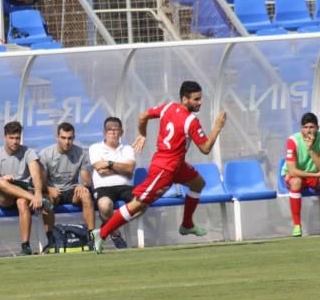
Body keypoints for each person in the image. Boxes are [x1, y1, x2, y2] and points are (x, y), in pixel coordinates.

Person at [93, 80, 227, 253]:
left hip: (177, 165)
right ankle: (102, 233)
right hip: (165, 167)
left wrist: (142, 133)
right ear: (184, 100)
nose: (199, 102)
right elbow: (206, 149)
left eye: (200, 99)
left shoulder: (168, 107)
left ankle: (187, 224)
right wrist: (217, 128)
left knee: (198, 183)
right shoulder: (191, 121)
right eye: (196, 99)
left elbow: (142, 116)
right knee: (138, 204)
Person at [0, 121, 45, 256]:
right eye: (11, 138)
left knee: (22, 202)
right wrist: (1, 179)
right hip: (4, 197)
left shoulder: (28, 152)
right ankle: (33, 199)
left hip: (23, 194)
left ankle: (25, 246)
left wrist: (38, 192)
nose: (15, 141)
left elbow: (36, 175)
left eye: (17, 138)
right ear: (5, 137)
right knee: (0, 182)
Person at [38, 122, 96, 251]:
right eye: (63, 138)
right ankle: (51, 240)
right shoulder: (46, 154)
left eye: (70, 138)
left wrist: (83, 184)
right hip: (53, 190)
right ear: (57, 137)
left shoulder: (81, 153)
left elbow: (87, 179)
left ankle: (92, 238)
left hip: (72, 190)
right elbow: (39, 182)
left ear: (74, 138)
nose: (67, 142)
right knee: (46, 202)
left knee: (86, 195)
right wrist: (48, 189)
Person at [283, 112, 320, 237]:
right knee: (295, 182)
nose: (308, 130)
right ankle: (297, 226)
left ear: (317, 128)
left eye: (311, 127)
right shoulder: (293, 140)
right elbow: (292, 171)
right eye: (305, 127)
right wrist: (316, 175)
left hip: (316, 174)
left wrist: (310, 149)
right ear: (301, 128)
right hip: (298, 175)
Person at [88, 116, 134, 249]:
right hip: (103, 188)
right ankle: (115, 234)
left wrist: (109, 163)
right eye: (109, 130)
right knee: (105, 206)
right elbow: (99, 170)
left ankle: (107, 226)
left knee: (140, 205)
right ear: (104, 132)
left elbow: (130, 169)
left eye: (116, 130)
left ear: (121, 132)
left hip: (125, 187)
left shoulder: (127, 149)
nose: (113, 133)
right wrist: (122, 168)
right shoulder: (95, 148)